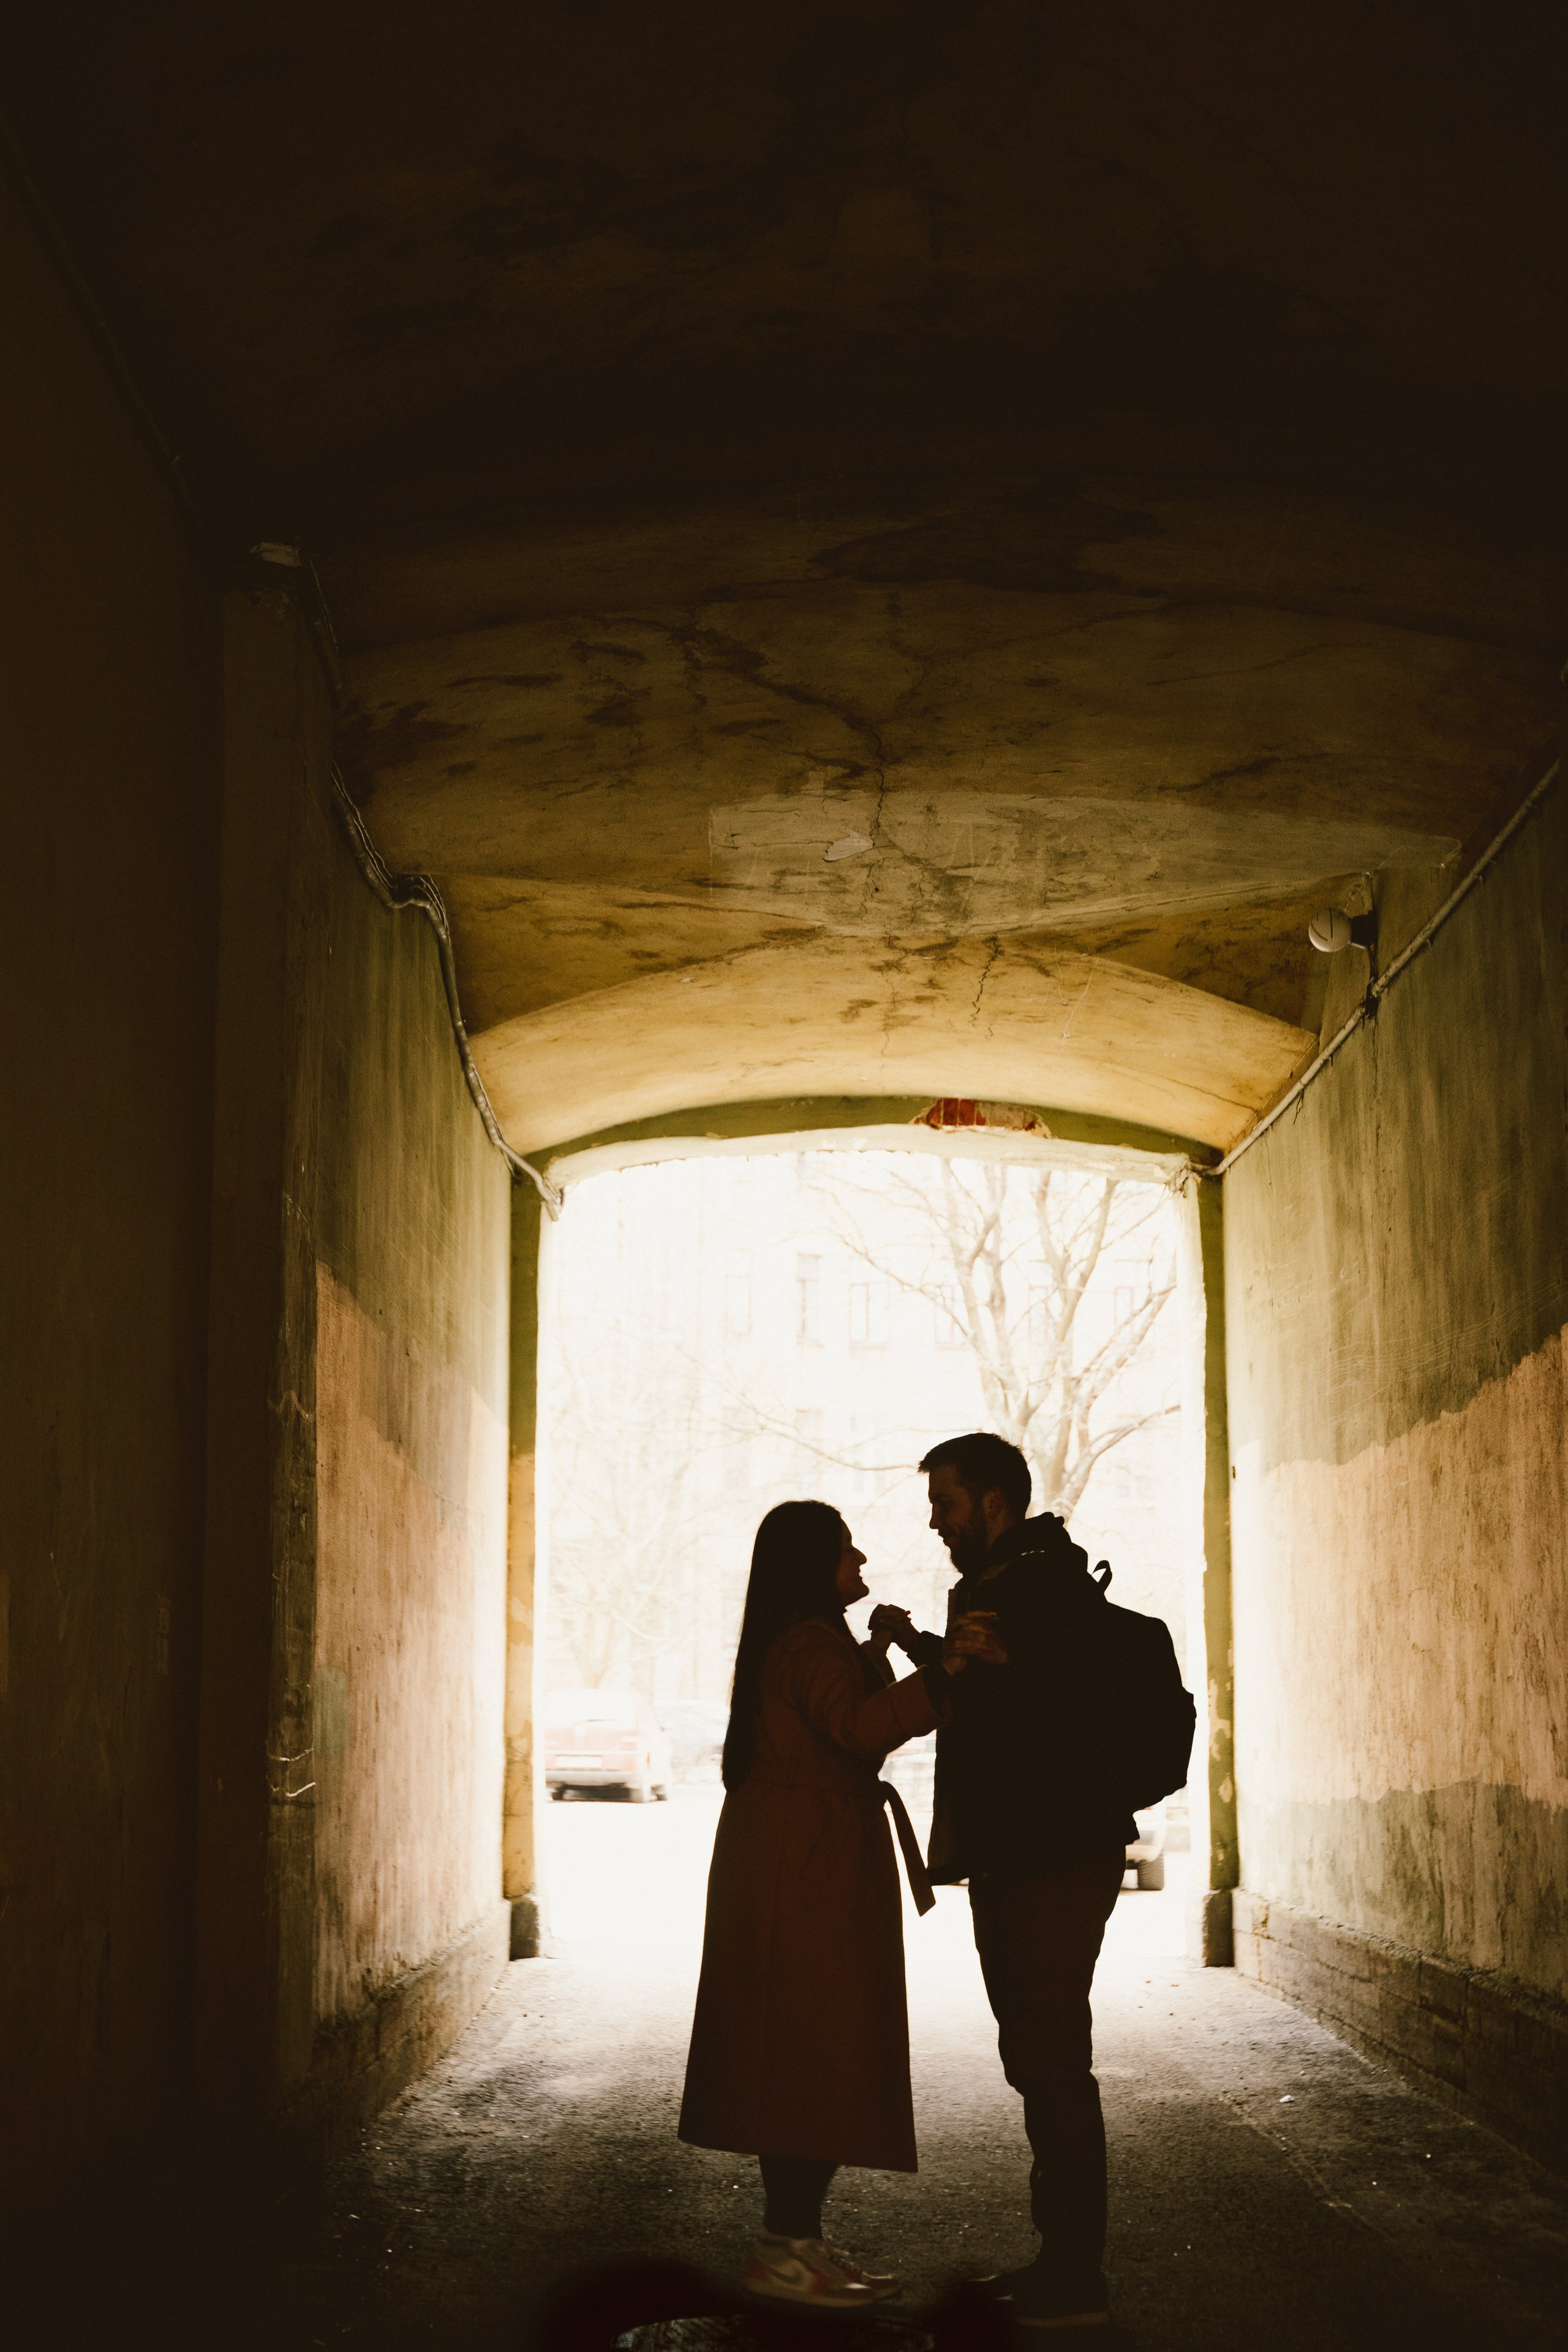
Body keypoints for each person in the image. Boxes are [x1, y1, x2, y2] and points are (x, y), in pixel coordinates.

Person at [870, 1433, 1194, 2333]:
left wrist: (987, 1665)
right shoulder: (1012, 1584)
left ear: (993, 1503)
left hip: (1052, 1859)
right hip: (1023, 1856)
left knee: (1051, 2058)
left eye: (945, 1501)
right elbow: (996, 1689)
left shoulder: (1041, 1585)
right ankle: (1061, 2261)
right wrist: (922, 1647)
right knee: (1040, 2056)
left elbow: (1053, 1695)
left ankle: (1074, 2275)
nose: (935, 1520)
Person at [678, 1498, 979, 2308]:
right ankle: (784, 2248)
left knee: (809, 2056)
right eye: (848, 1552)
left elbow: (839, 1718)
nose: (862, 1563)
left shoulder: (807, 1640)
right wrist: (942, 1670)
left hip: (797, 1855)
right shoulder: (808, 1641)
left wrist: (881, 1651)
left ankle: (797, 2241)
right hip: (804, 1866)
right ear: (815, 1565)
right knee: (813, 2054)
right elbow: (855, 1727)